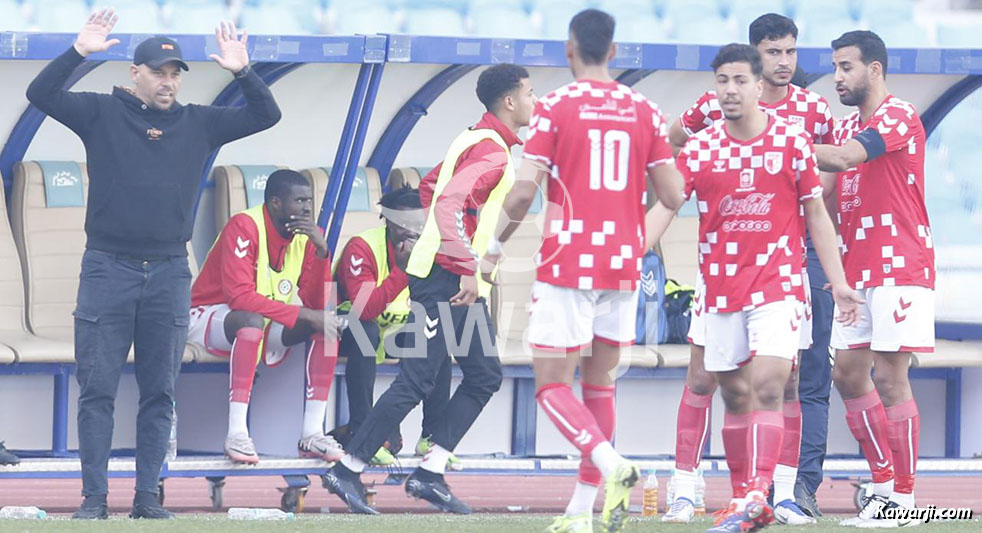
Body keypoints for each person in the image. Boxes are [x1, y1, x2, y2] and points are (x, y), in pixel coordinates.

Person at [25, 9, 280, 520]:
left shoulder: (199, 123)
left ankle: (147, 498)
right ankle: (94, 500)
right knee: (96, 388)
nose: (168, 82)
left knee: (160, 391)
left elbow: (265, 115)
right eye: (158, 72)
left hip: (168, 270)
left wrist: (242, 71)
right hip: (107, 268)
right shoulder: (101, 112)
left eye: (174, 74)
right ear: (134, 74)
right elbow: (41, 95)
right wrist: (78, 51)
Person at [487, 10, 685, 533]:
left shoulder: (553, 107)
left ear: (569, 50)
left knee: (552, 385)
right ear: (614, 52)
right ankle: (579, 513)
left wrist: (492, 250)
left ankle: (611, 462)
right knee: (601, 386)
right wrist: (631, 232)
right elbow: (672, 194)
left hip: (566, 259)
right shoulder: (643, 108)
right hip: (622, 264)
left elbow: (524, 192)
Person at [322, 63, 536, 515]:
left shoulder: (475, 138)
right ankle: (348, 469)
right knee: (419, 378)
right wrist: (462, 264)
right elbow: (451, 202)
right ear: (511, 101)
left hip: (452, 276)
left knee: (484, 375)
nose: (535, 102)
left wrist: (469, 257)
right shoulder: (493, 152)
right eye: (531, 94)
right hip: (446, 279)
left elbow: (429, 189)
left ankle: (430, 472)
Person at [671, 44, 861, 533]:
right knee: (724, 389)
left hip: (782, 279)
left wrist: (835, 279)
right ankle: (703, 493)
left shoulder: (803, 124)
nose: (731, 89)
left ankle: (776, 493)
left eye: (790, 51)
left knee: (779, 384)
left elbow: (818, 201)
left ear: (757, 85)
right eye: (723, 81)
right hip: (718, 285)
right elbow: (668, 193)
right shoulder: (704, 136)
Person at [814, 30, 933, 528]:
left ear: (875, 70)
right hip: (857, 272)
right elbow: (827, 198)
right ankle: (882, 486)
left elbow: (844, 160)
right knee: (847, 374)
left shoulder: (899, 115)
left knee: (888, 377)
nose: (837, 78)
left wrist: (775, 139)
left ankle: (903, 502)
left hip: (900, 265)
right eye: (835, 68)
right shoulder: (844, 127)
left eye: (847, 67)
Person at [188, 169, 344, 464]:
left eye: (309, 201)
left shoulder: (309, 235)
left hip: (262, 320)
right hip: (207, 317)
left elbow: (316, 303)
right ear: (275, 203)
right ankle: (237, 433)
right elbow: (239, 298)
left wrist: (322, 253)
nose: (308, 208)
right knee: (251, 321)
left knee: (326, 326)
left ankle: (312, 433)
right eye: (299, 201)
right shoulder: (244, 226)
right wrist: (306, 313)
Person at [331, 186, 454, 469]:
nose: (412, 231)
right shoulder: (362, 247)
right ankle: (364, 435)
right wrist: (402, 269)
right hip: (345, 329)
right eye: (403, 224)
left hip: (393, 330)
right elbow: (366, 309)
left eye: (418, 224)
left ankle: (432, 436)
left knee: (438, 338)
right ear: (388, 220)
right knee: (366, 332)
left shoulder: (430, 249)